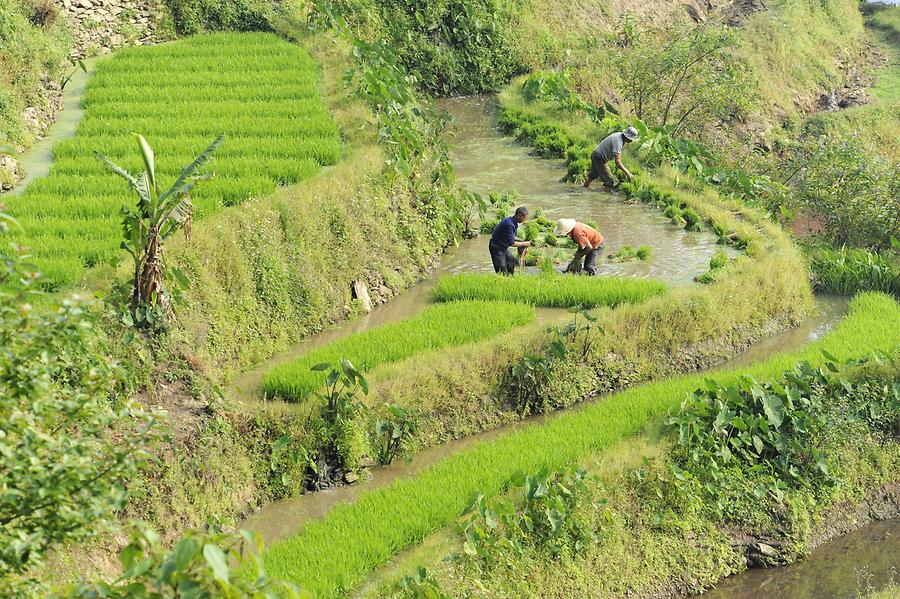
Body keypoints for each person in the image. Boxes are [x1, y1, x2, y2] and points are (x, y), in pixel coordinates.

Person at [583, 126, 639, 191]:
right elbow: (617, 161)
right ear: (627, 137)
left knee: (592, 176)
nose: (631, 141)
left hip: (596, 155)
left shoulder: (619, 135)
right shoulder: (618, 141)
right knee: (609, 181)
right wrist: (628, 173)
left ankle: (583, 190)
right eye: (631, 139)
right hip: (599, 158)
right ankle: (605, 199)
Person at [489, 206, 531, 275]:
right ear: (519, 216)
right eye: (524, 218)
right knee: (501, 270)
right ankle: (503, 281)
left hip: (502, 247)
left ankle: (510, 279)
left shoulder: (513, 222)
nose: (524, 220)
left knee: (511, 261)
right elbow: (511, 243)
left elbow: (511, 237)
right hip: (496, 248)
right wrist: (524, 244)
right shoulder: (509, 224)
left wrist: (521, 240)